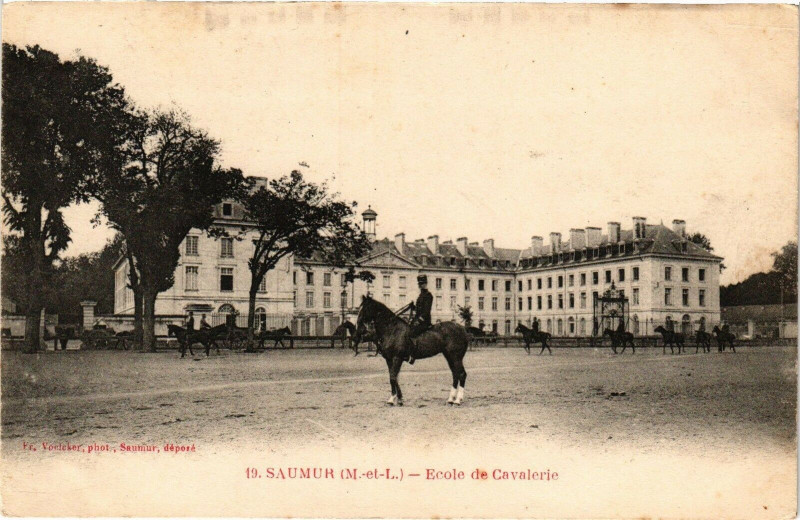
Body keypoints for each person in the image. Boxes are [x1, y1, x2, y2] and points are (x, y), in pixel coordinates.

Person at [406, 274, 433, 364]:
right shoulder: (420, 295)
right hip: (418, 319)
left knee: (412, 333)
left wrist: (418, 321)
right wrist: (412, 307)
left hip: (425, 321)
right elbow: (418, 310)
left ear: (426, 284)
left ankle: (413, 355)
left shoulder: (429, 295)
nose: (420, 285)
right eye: (420, 284)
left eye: (422, 283)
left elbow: (426, 312)